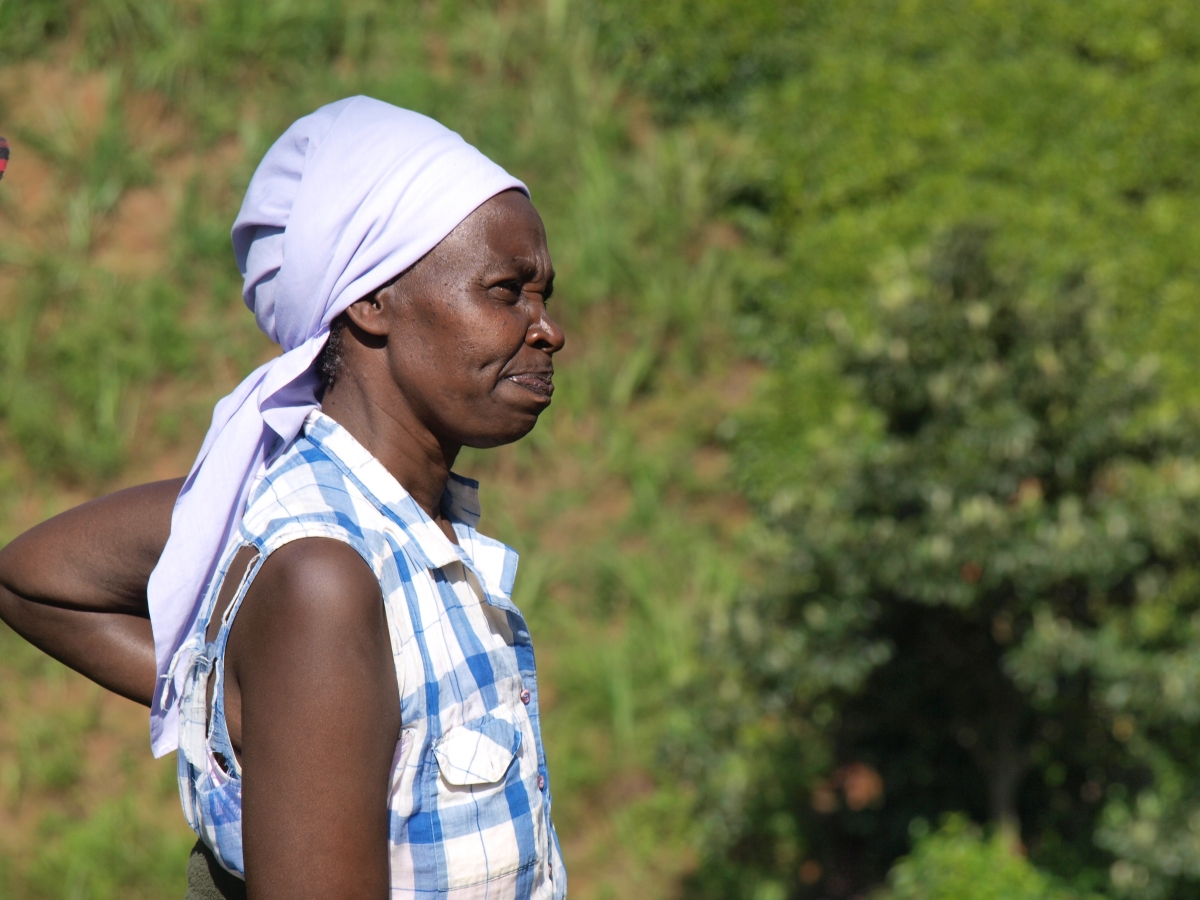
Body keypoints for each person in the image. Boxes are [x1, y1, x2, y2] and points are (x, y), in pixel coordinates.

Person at [0, 96, 567, 900]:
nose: (548, 330)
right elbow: (29, 579)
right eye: (507, 291)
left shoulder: (364, 523)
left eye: (544, 294)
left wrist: (253, 704)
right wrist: (244, 697)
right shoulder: (322, 578)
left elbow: (32, 572)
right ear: (371, 302)